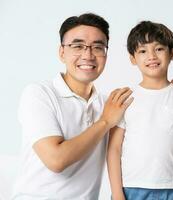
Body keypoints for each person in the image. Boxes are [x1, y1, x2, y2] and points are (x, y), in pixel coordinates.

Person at [12, 13, 133, 199]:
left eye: (98, 47)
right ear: (62, 52)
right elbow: (56, 160)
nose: (88, 55)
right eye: (77, 46)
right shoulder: (39, 94)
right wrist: (105, 122)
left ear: (106, 54)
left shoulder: (108, 104)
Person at [107, 21, 173, 200]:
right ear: (132, 58)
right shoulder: (125, 98)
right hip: (130, 188)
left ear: (172, 53)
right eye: (142, 51)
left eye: (159, 49)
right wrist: (117, 193)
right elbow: (114, 150)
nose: (151, 56)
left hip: (171, 188)